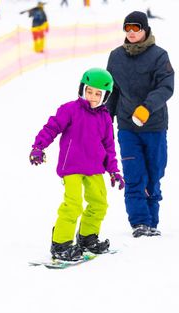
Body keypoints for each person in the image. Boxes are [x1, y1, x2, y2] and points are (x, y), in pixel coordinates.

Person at [29, 68, 124, 261]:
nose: (92, 97)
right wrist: (39, 147)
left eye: (98, 94)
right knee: (73, 204)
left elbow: (109, 146)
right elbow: (52, 128)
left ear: (105, 97)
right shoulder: (69, 109)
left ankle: (87, 238)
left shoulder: (105, 118)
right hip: (71, 167)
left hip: (95, 168)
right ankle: (61, 244)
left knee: (99, 203)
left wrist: (113, 171)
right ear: (82, 89)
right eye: (89, 91)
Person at [106, 11, 174, 238]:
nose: (132, 33)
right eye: (128, 29)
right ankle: (140, 223)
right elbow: (112, 91)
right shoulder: (116, 57)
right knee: (134, 176)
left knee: (154, 174)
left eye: (136, 28)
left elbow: (165, 87)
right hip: (127, 127)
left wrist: (147, 107)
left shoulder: (159, 56)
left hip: (154, 125)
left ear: (145, 30)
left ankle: (152, 221)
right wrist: (106, 119)